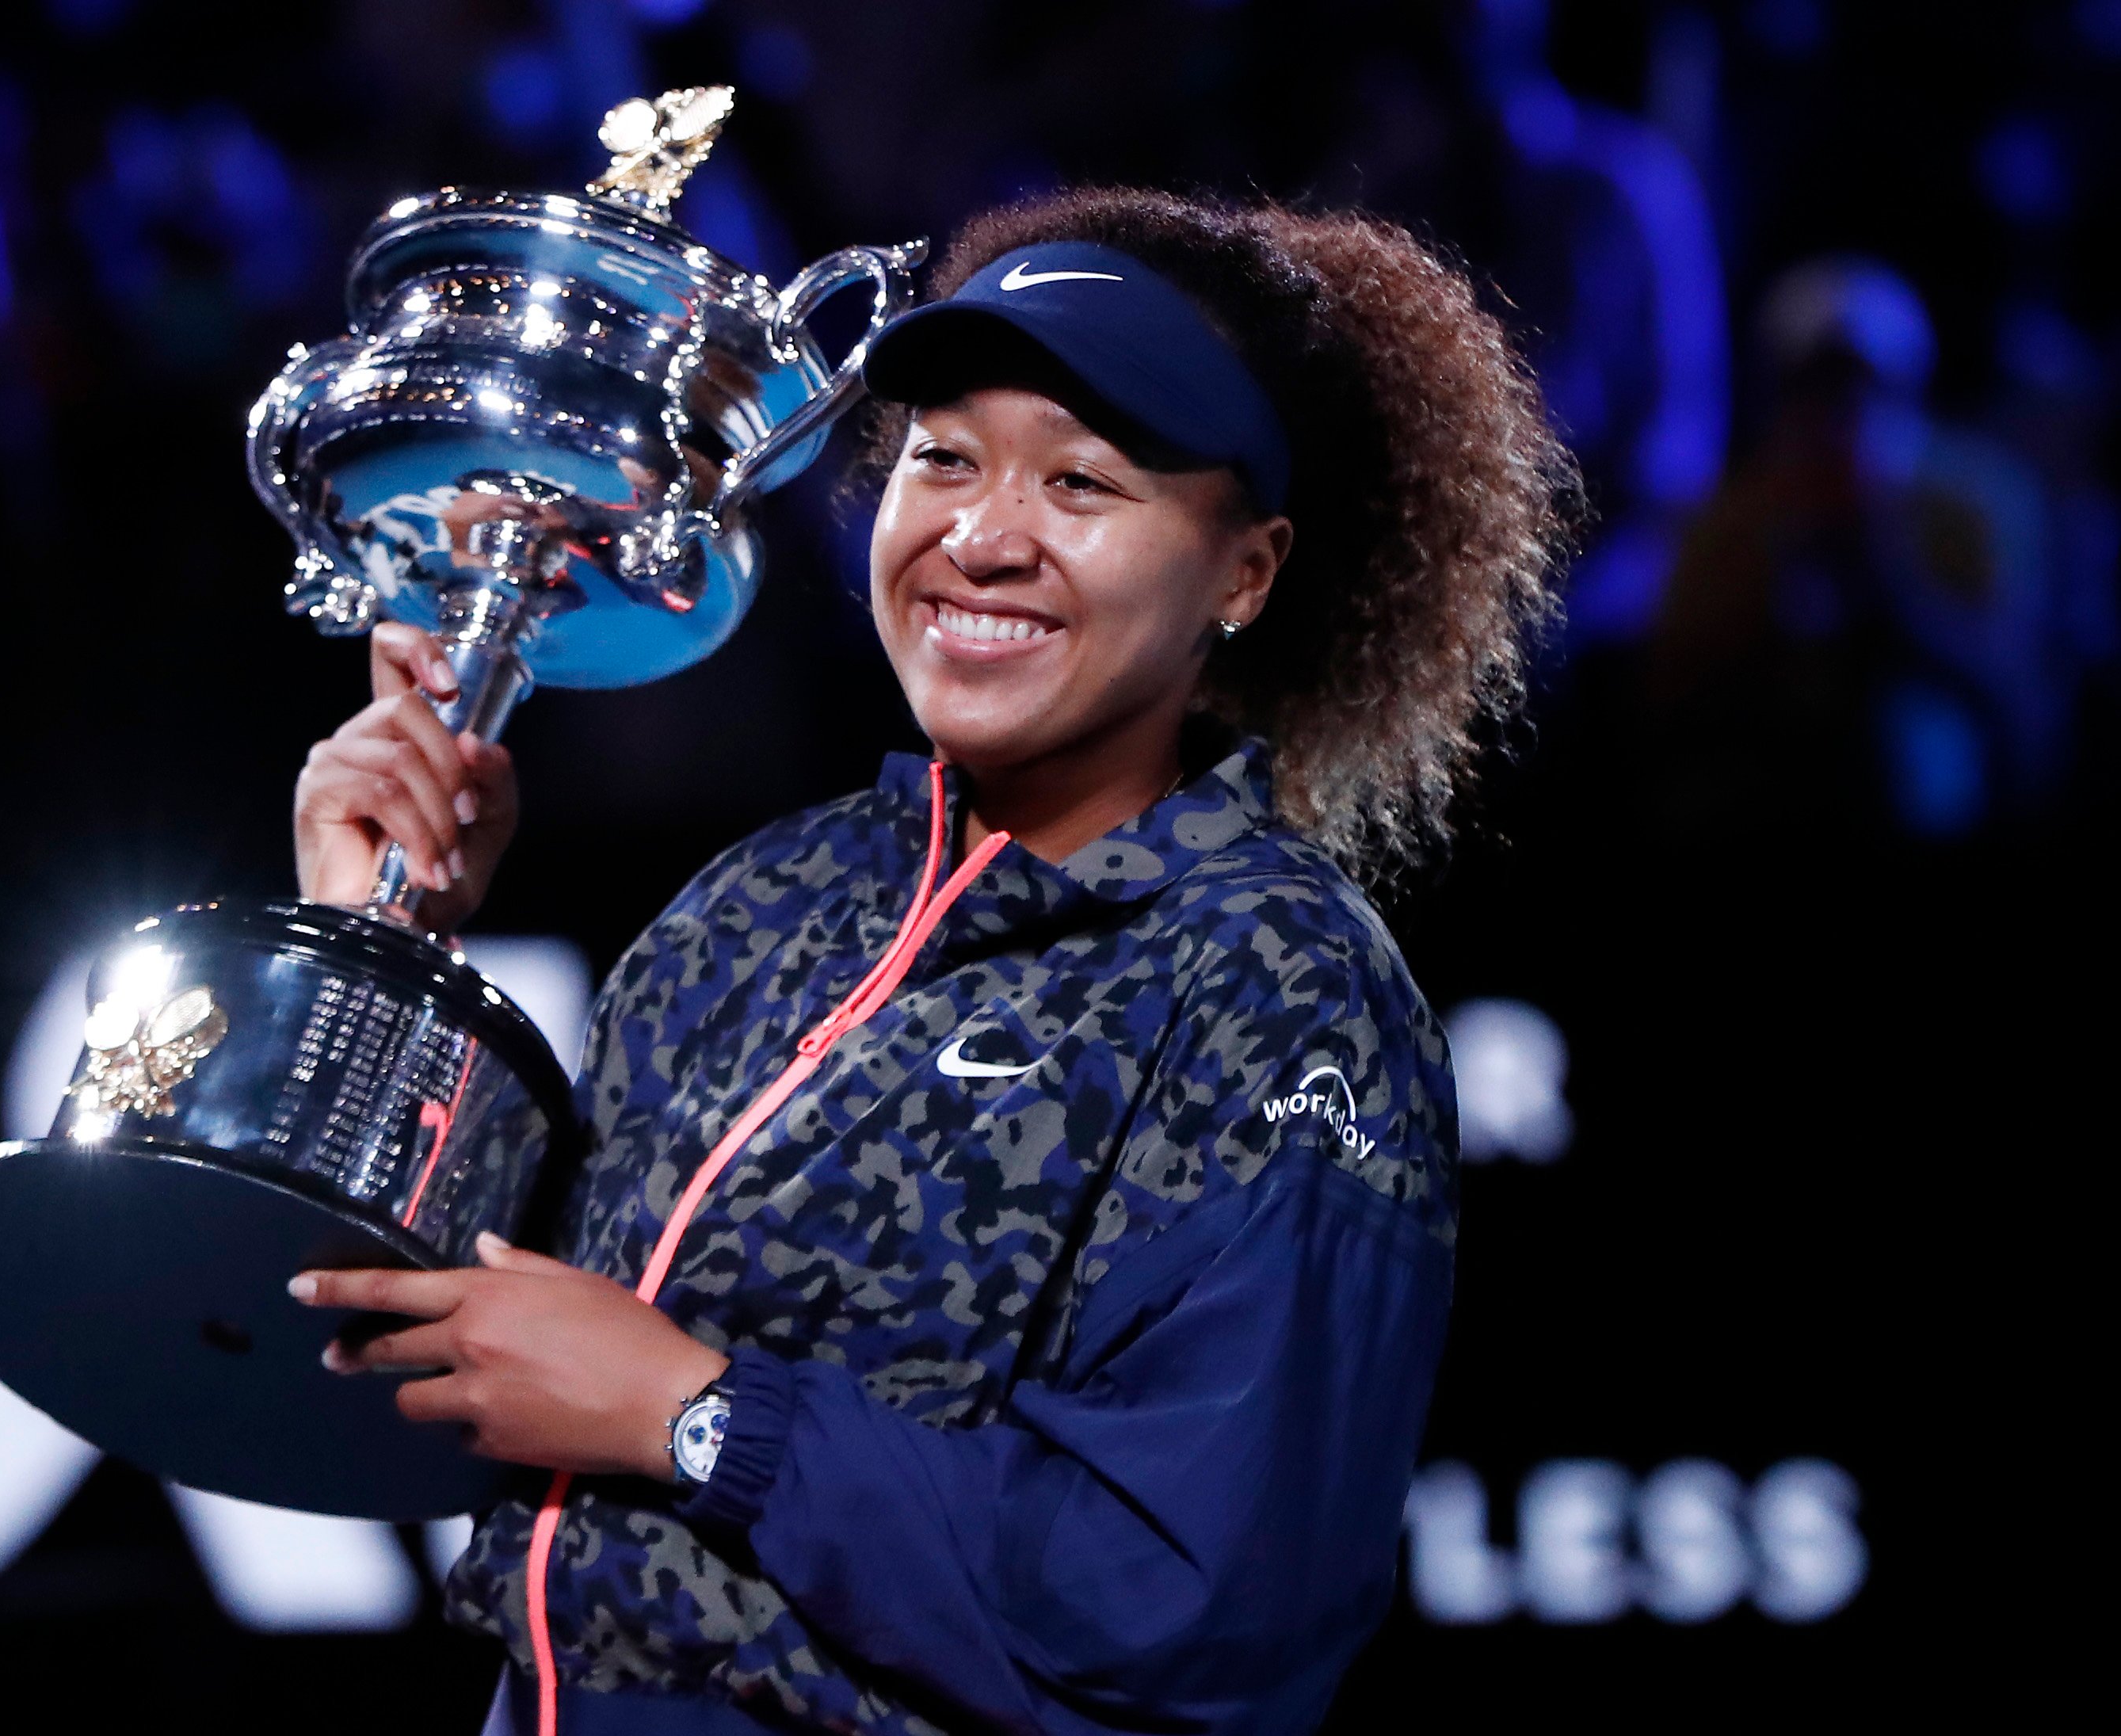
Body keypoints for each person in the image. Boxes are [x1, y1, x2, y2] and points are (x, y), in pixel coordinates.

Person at [285, 187, 1570, 1734]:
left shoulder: (1273, 984)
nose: (982, 537)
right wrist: (383, 933)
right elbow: (409, 1343)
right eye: (944, 458)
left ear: (1245, 573)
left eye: (1080, 481)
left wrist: (698, 1419)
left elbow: (1203, 1617)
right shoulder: (765, 899)